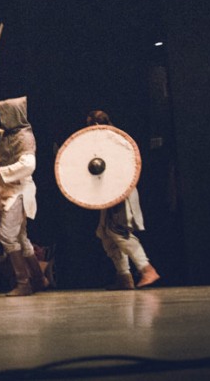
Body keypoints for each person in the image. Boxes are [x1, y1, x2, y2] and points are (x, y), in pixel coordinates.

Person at [0, 93, 47, 296]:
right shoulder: (11, 134)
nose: (3, 118)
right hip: (11, 190)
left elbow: (29, 165)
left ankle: (24, 283)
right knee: (21, 238)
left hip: (20, 191)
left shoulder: (24, 137)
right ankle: (38, 279)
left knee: (6, 235)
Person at [85, 110, 159, 290]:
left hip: (120, 190)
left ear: (96, 124)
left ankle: (146, 269)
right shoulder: (99, 144)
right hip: (108, 192)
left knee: (118, 230)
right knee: (106, 233)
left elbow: (122, 167)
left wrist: (116, 189)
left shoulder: (115, 142)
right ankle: (124, 276)